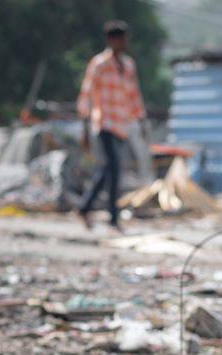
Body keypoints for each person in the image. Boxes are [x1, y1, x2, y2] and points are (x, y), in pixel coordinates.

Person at [76, 20, 146, 231]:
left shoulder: (128, 65)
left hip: (121, 125)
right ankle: (113, 219)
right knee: (113, 170)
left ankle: (84, 208)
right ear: (111, 40)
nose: (124, 43)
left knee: (108, 170)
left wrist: (140, 119)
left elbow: (133, 95)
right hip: (104, 124)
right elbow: (86, 95)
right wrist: (85, 125)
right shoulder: (99, 64)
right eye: (120, 39)